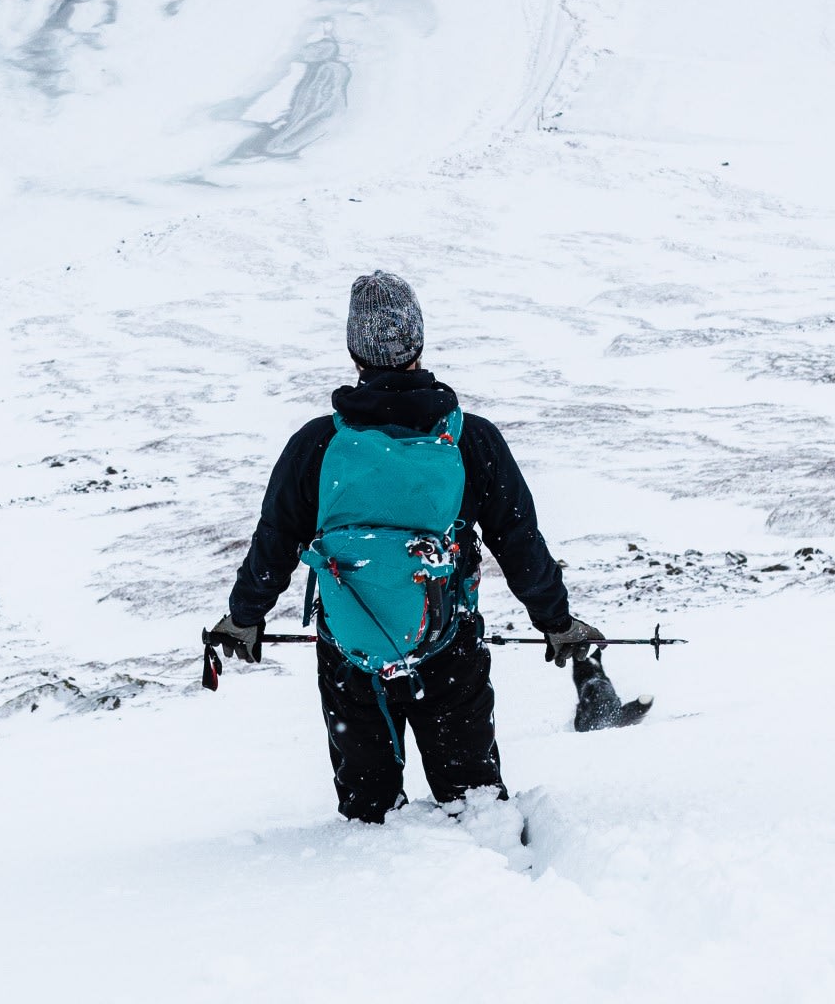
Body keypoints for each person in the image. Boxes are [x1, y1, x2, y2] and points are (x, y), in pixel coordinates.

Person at [207, 271, 602, 823]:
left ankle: (381, 892)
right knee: (474, 802)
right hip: (448, 644)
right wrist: (557, 623)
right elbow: (519, 541)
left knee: (370, 813)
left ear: (354, 352)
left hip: (351, 652)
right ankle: (497, 882)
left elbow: (274, 543)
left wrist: (244, 617)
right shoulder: (470, 439)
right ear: (418, 344)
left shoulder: (317, 445)